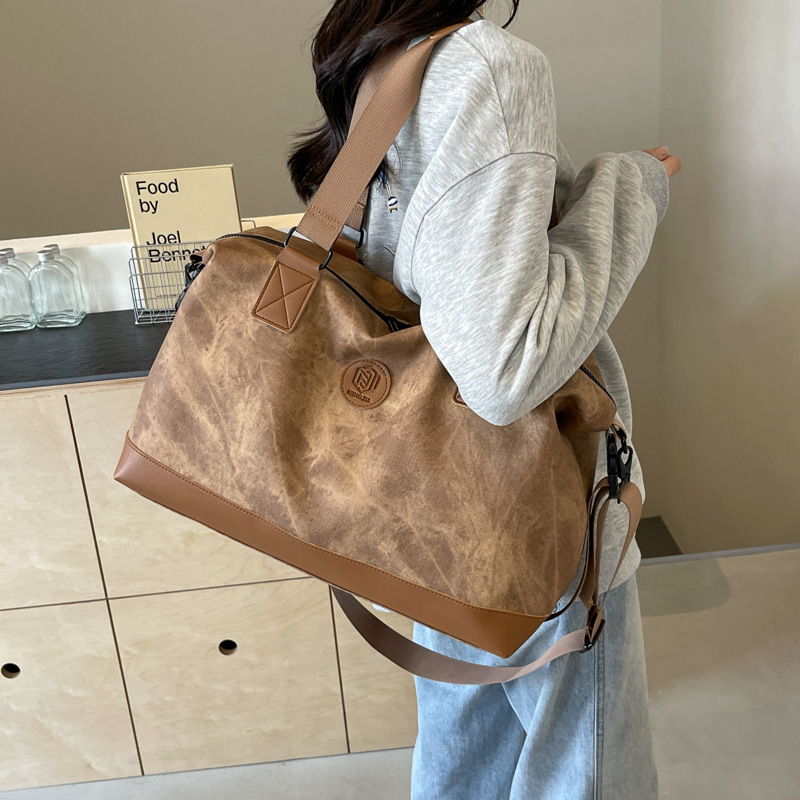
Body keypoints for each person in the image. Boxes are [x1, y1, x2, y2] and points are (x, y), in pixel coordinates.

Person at [288, 2, 682, 798]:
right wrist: (630, 187)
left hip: (435, 491)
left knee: (465, 752)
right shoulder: (493, 67)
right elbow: (506, 369)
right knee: (587, 767)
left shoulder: (379, 56)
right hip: (533, 498)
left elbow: (449, 284)